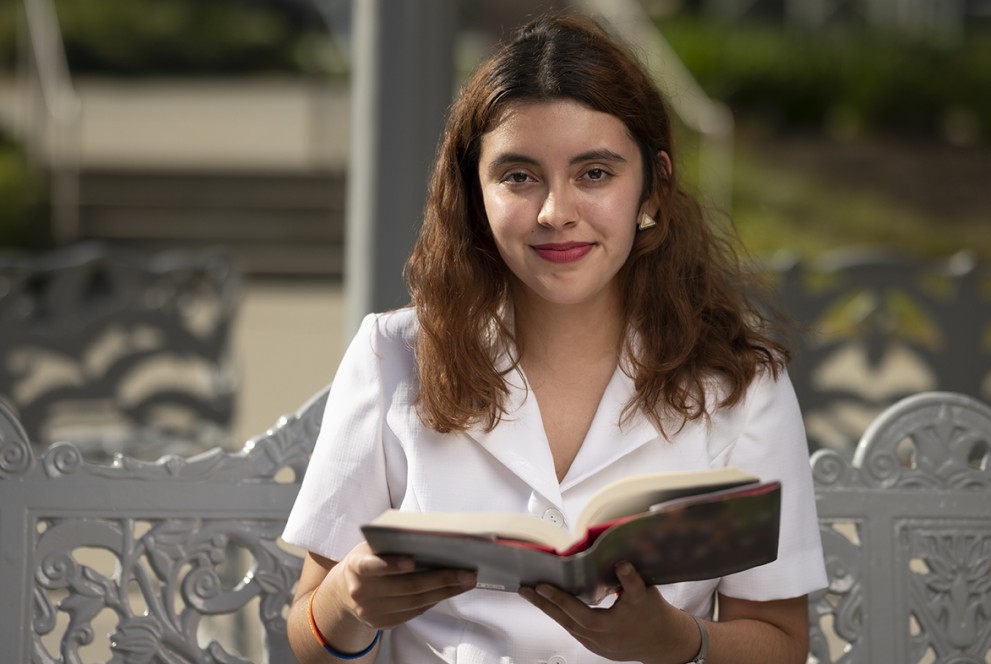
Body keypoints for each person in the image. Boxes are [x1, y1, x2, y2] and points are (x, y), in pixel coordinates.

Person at [283, 12, 826, 664]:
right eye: (518, 176)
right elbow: (306, 641)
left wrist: (680, 643)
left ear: (653, 188)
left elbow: (780, 645)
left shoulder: (741, 384)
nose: (554, 212)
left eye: (594, 173)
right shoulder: (393, 355)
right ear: (473, 192)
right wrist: (346, 602)